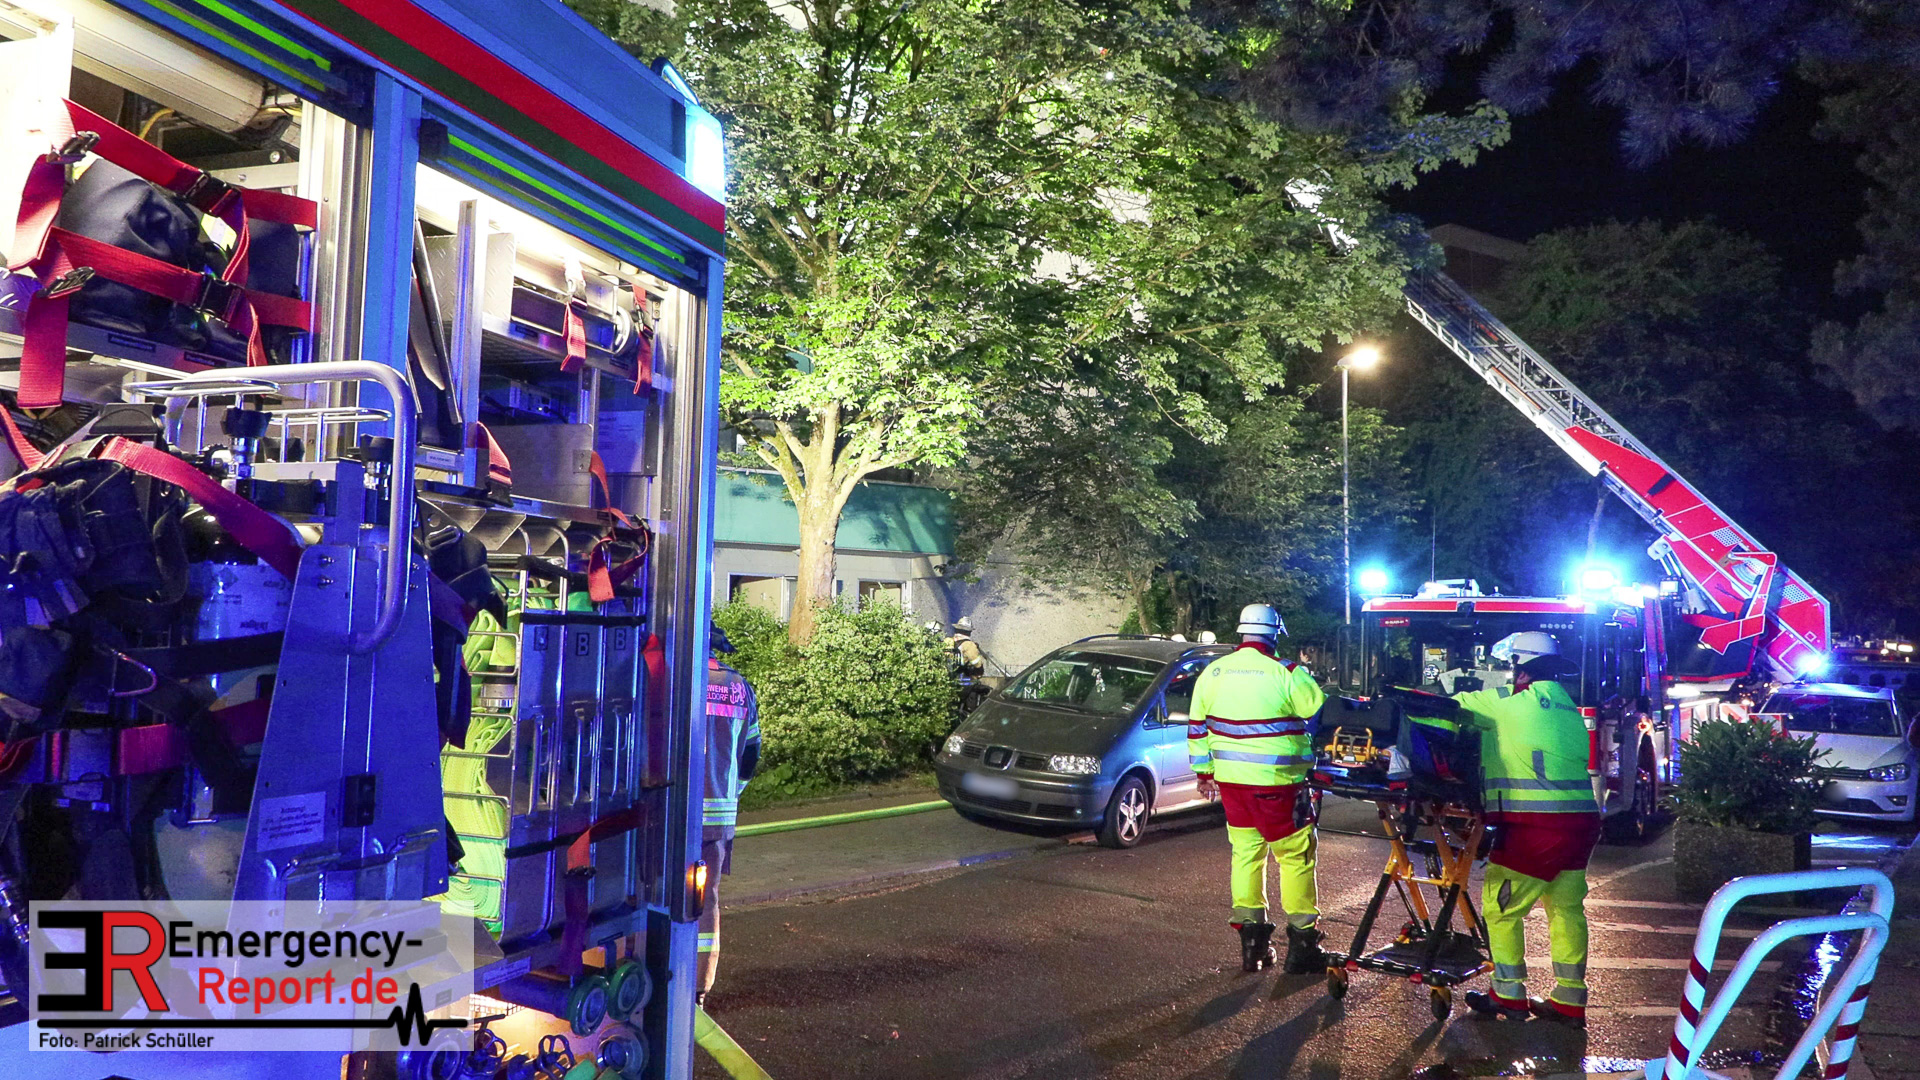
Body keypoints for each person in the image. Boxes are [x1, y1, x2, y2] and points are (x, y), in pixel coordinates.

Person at [1451, 631, 1599, 1027]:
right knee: (1566, 908)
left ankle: (1508, 992)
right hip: (1581, 823)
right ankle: (1570, 999)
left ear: (1521, 668)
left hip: (1536, 825)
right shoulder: (1568, 707)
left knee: (1500, 908)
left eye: (1510, 666)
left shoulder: (1510, 703)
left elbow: (1452, 706)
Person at [1188, 603, 1328, 973]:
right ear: (1275, 634)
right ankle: (1303, 945)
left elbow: (1197, 728)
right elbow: (1317, 711)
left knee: (1246, 853)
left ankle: (1253, 944)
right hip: (1278, 783)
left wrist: (1204, 773)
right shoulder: (1287, 672)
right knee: (1295, 856)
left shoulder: (1213, 672)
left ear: (1241, 632)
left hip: (1231, 782)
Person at [699, 624, 761, 1006]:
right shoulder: (739, 686)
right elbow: (751, 754)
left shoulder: (668, 676)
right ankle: (699, 988)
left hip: (669, 817)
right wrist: (730, 792)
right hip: (717, 820)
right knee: (706, 900)